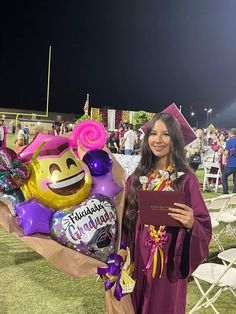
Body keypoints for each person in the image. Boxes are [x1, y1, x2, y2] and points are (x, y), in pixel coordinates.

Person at [122, 112, 212, 314]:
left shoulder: (186, 180)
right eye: (153, 133)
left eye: (166, 134)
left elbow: (203, 227)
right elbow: (123, 220)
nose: (158, 140)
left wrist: (191, 224)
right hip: (137, 260)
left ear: (175, 139)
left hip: (168, 265)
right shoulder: (137, 178)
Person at [222, 128, 236, 194]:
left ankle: (225, 192)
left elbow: (226, 154)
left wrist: (222, 151)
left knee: (224, 177)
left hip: (231, 163)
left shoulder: (229, 141)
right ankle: (235, 192)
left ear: (230, 134)